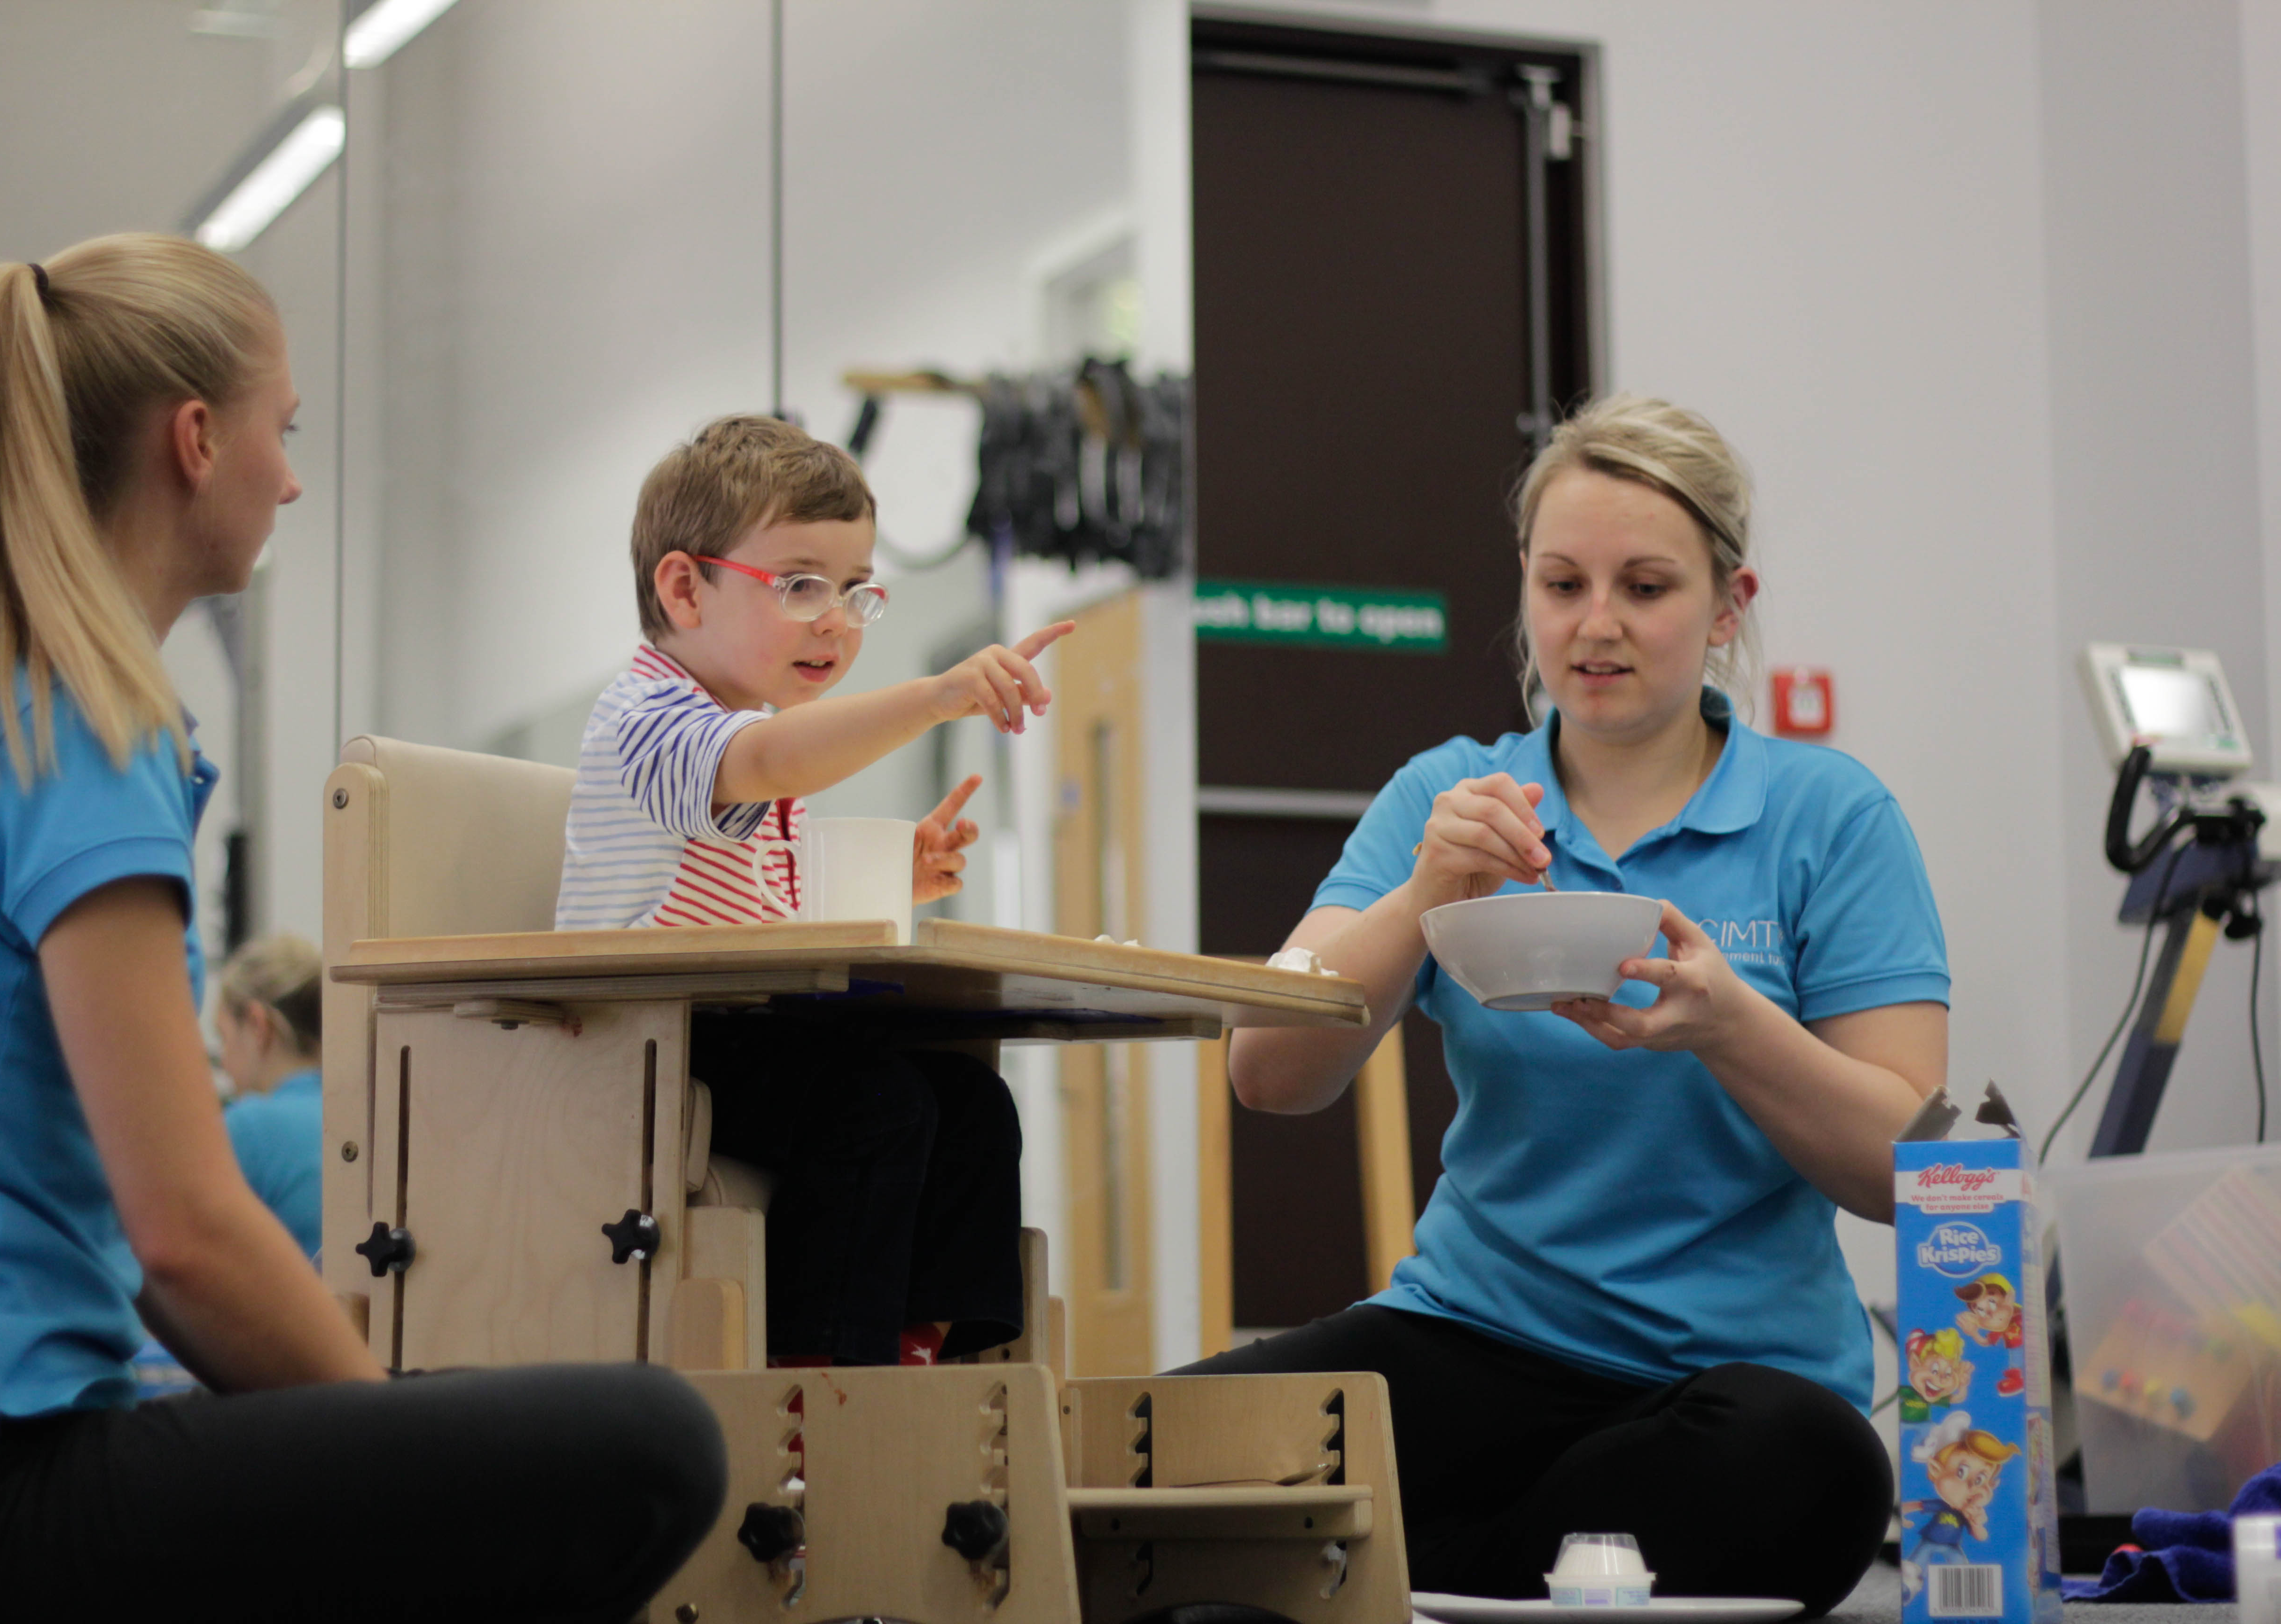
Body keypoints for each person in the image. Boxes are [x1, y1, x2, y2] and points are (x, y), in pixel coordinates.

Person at [0, 234, 723, 1621]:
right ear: (196, 440)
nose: (294, 476)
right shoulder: (79, 729)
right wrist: (392, 1435)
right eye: (284, 429)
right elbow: (186, 1236)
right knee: (655, 1444)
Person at [1185, 394, 1946, 1614]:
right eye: (1562, 584)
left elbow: (1912, 1171)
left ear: (1728, 606)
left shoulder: (1831, 817)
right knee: (1155, 1454)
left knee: (1816, 1469)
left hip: (1729, 1388)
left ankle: (1372, 1581)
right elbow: (1269, 1071)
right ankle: (1493, 1585)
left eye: (1645, 587)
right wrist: (1428, 891)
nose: (1597, 626)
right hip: (1470, 1338)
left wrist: (1731, 1029)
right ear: (1526, 593)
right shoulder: (1449, 794)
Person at [556, 414, 1070, 1367]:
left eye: (855, 591)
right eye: (799, 586)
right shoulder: (651, 716)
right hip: (644, 1043)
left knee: (970, 1103)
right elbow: (764, 765)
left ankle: (934, 1355)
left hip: (735, 1022)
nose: (836, 619)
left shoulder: (748, 729)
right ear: (684, 587)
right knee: (874, 1107)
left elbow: (762, 915)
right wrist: (935, 696)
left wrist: (894, 880)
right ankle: (824, 1376)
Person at [214, 932, 325, 1257]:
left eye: (224, 1036)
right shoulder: (365, 1113)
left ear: (257, 1025)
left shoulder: (249, 1127)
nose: (223, 1060)